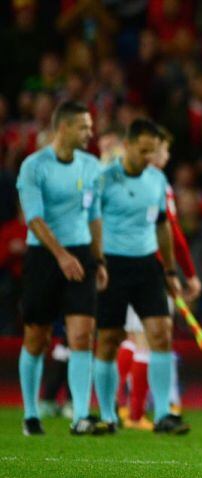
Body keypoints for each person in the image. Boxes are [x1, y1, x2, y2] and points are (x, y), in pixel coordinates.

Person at [16, 100, 108, 436]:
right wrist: (60, 255)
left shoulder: (91, 166)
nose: (90, 133)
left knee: (82, 336)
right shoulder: (34, 166)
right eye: (84, 127)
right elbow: (34, 218)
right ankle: (30, 414)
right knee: (36, 338)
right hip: (43, 256)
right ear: (64, 127)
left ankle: (81, 415)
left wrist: (97, 259)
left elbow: (94, 216)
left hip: (80, 253)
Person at [94, 118, 189, 434]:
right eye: (144, 150)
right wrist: (95, 262)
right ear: (129, 145)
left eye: (154, 151)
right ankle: (108, 414)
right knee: (108, 339)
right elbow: (90, 222)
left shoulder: (157, 180)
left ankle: (162, 414)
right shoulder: (104, 179)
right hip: (112, 264)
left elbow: (163, 225)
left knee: (160, 334)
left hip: (147, 265)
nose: (150, 157)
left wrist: (170, 270)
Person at [116, 127, 202, 430]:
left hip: (116, 265)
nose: (163, 157)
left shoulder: (116, 175)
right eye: (161, 150)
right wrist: (186, 272)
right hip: (149, 267)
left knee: (126, 338)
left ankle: (119, 407)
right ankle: (136, 413)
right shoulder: (157, 183)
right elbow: (172, 232)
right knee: (146, 342)